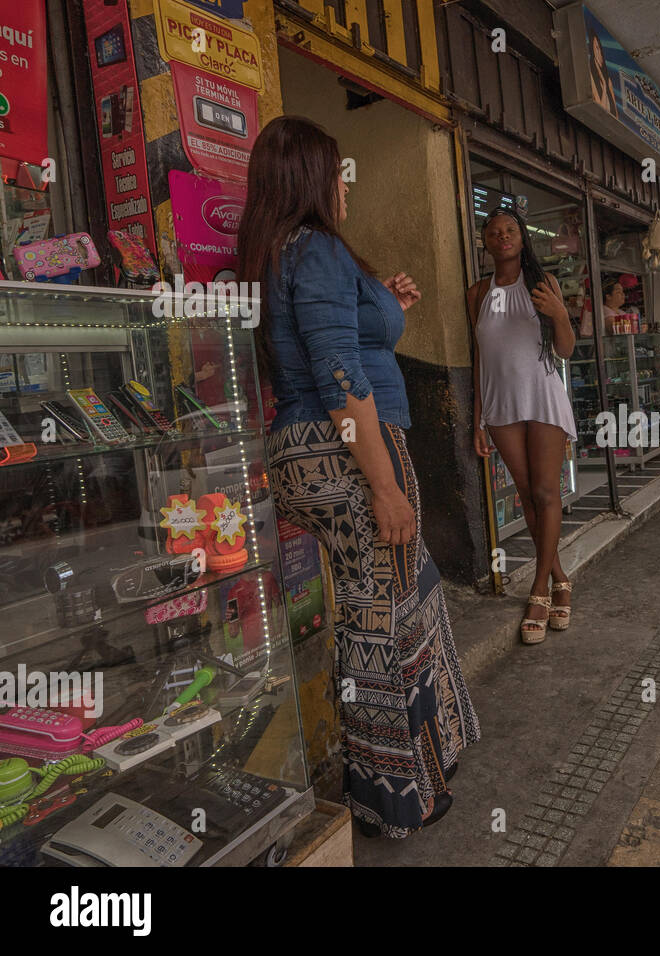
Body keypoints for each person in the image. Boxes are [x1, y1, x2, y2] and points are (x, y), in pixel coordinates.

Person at [239, 115, 479, 839]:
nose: (346, 188)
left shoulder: (290, 251)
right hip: (345, 446)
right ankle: (389, 795)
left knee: (399, 600)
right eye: (337, 173)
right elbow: (339, 375)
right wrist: (381, 482)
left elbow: (345, 343)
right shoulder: (314, 250)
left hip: (317, 449)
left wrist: (388, 307)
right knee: (381, 614)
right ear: (314, 180)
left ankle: (419, 766)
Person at [469, 206, 579, 641]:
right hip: (500, 403)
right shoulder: (476, 293)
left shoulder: (542, 284)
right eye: (493, 232)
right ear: (486, 242)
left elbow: (566, 350)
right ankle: (561, 578)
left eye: (510, 229)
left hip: (542, 396)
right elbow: (480, 357)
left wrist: (561, 314)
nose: (502, 236)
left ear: (521, 237)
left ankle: (540, 589)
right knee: (527, 497)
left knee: (545, 492)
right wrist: (478, 417)